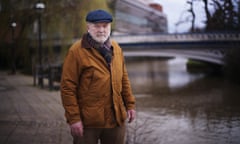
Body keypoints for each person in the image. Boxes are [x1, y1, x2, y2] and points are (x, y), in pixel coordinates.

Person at [60, 9, 136, 144]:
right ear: (88, 27)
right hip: (88, 123)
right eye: (97, 26)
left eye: (105, 26)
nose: (101, 30)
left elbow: (124, 78)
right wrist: (74, 119)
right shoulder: (76, 51)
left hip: (115, 119)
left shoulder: (116, 48)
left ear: (110, 27)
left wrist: (130, 105)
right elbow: (67, 88)